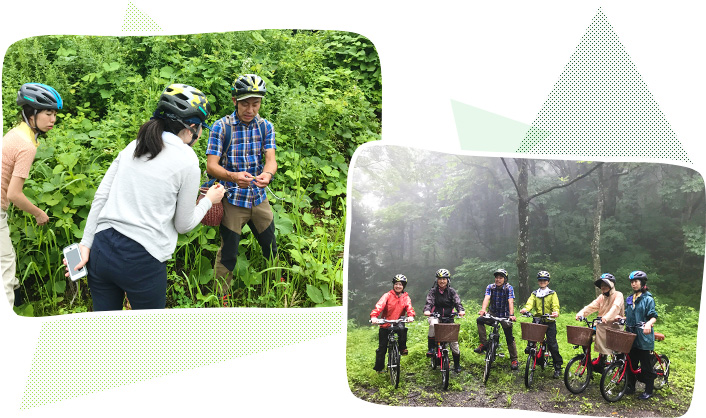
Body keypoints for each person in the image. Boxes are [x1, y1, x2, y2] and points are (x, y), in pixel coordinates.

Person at [67, 84, 225, 311]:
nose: (200, 135)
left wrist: (85, 244)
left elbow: (101, 197)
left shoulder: (134, 145)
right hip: (142, 260)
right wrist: (210, 199)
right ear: (191, 127)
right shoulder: (188, 159)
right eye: (201, 129)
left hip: (101, 249)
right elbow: (183, 225)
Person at [206, 74, 277, 293]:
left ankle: (275, 286)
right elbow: (211, 166)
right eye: (245, 103)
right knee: (229, 252)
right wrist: (233, 176)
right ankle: (221, 296)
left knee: (271, 245)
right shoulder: (221, 127)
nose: (250, 110)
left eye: (255, 104)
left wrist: (267, 175)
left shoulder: (265, 127)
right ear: (234, 100)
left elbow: (271, 160)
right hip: (232, 200)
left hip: (258, 198)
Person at [2, 83, 62, 307]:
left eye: (55, 114)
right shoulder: (27, 145)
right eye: (48, 113)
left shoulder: (16, 132)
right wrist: (38, 213)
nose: (53, 119)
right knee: (6, 267)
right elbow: (14, 194)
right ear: (31, 114)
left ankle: (17, 298)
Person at [575, 273, 624, 373]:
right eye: (601, 285)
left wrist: (606, 317)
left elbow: (616, 307)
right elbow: (592, 306)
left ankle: (620, 367)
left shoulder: (618, 295)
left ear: (612, 285)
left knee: (617, 349)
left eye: (606, 284)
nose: (603, 287)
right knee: (585, 336)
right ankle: (592, 359)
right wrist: (581, 313)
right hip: (601, 325)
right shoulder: (602, 297)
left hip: (614, 325)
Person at [519, 270, 564, 378]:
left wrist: (555, 312)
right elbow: (530, 303)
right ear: (538, 282)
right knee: (531, 341)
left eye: (544, 280)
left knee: (552, 344)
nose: (542, 282)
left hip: (549, 321)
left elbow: (555, 305)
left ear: (548, 282)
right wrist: (526, 309)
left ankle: (557, 366)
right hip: (538, 319)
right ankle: (536, 357)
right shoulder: (535, 293)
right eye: (540, 280)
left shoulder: (552, 293)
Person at [474, 268, 519, 370]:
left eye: (501, 278)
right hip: (493, 313)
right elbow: (487, 297)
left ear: (505, 279)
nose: (498, 280)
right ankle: (484, 344)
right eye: (496, 277)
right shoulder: (490, 287)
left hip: (505, 315)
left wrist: (511, 315)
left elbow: (510, 301)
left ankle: (514, 359)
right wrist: (483, 310)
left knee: (509, 336)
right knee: (480, 320)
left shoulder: (509, 288)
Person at [369, 274, 416, 372]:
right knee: (382, 348)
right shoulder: (387, 295)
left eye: (400, 284)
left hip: (398, 322)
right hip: (386, 323)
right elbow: (379, 306)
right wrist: (374, 317)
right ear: (393, 285)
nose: (398, 286)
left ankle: (402, 348)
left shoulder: (405, 297)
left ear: (403, 286)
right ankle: (379, 368)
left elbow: (409, 307)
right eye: (396, 284)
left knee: (402, 329)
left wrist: (410, 316)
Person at [624, 270, 658, 400]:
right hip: (631, 336)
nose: (633, 284)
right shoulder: (630, 299)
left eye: (636, 282)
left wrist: (649, 324)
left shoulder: (648, 299)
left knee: (646, 366)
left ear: (642, 283)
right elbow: (629, 316)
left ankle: (649, 390)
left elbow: (653, 316)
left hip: (643, 337)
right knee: (630, 363)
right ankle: (630, 387)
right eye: (632, 282)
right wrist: (620, 318)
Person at [424, 268, 465, 373]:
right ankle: (431, 348)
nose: (442, 281)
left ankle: (456, 363)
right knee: (433, 324)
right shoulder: (433, 291)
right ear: (437, 280)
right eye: (440, 279)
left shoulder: (451, 291)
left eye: (444, 279)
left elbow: (457, 302)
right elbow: (429, 302)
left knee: (454, 342)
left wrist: (460, 310)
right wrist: (427, 311)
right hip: (435, 315)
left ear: (448, 280)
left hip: (448, 317)